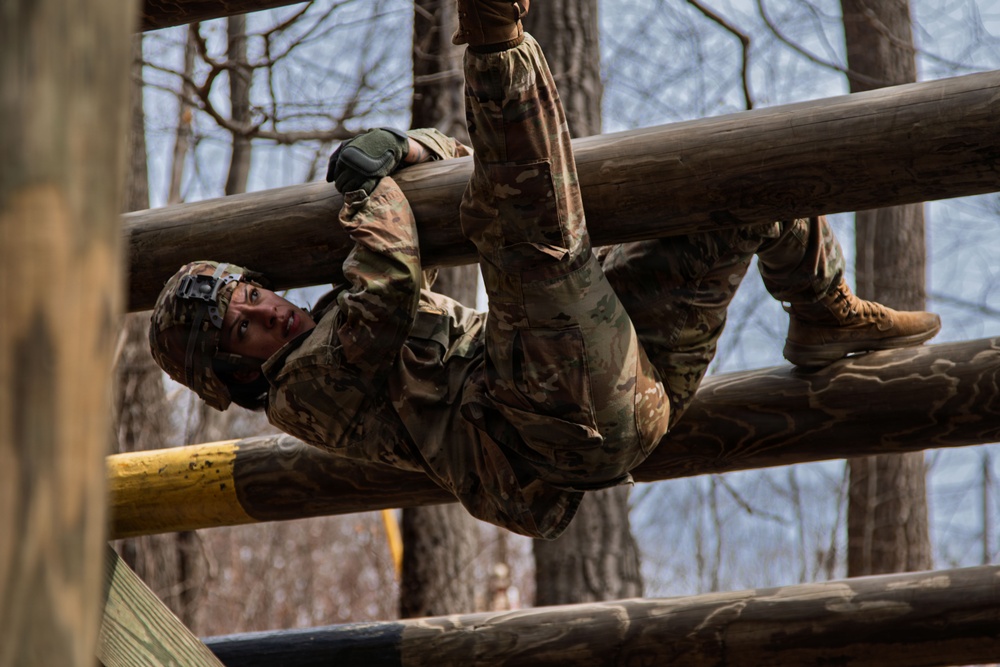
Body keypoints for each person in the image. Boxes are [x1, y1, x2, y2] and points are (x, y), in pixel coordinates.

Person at [149, 0, 941, 539]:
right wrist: (368, 191)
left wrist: (405, 148)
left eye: (250, 295)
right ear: (239, 375)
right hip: (554, 422)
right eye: (243, 332)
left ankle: (821, 307)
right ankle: (495, 34)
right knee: (531, 247)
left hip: (624, 378)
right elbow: (387, 290)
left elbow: (472, 163)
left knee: (732, 193)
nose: (267, 312)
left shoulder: (325, 329)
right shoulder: (302, 395)